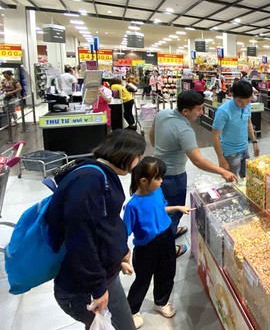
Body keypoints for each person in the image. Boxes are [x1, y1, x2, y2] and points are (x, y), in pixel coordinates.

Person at [46, 130, 146, 330]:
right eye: (138, 157)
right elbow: (80, 239)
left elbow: (102, 224)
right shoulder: (89, 180)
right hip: (85, 284)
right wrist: (98, 288)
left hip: (103, 273)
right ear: (127, 154)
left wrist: (116, 258)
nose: (138, 163)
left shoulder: (99, 172)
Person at [150, 90, 236, 237]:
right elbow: (197, 160)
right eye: (199, 109)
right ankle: (168, 245)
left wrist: (161, 152)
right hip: (173, 177)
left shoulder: (163, 113)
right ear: (185, 111)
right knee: (174, 211)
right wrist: (223, 171)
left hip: (156, 170)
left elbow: (152, 134)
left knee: (162, 207)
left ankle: (168, 233)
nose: (201, 112)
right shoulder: (184, 130)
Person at [124, 157, 190, 328]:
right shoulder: (132, 205)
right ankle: (132, 310)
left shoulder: (157, 192)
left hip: (167, 237)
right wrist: (123, 257)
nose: (162, 181)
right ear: (144, 181)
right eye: (158, 178)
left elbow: (161, 208)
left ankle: (161, 302)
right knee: (143, 279)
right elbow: (124, 231)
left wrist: (176, 208)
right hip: (146, 247)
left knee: (167, 272)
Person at [212, 81, 260, 178]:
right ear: (232, 95)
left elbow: (248, 123)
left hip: (244, 148)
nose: (244, 104)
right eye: (240, 102)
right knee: (232, 182)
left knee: (245, 177)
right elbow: (215, 136)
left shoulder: (247, 106)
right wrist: (221, 159)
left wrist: (254, 142)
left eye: (247, 101)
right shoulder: (223, 111)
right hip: (230, 152)